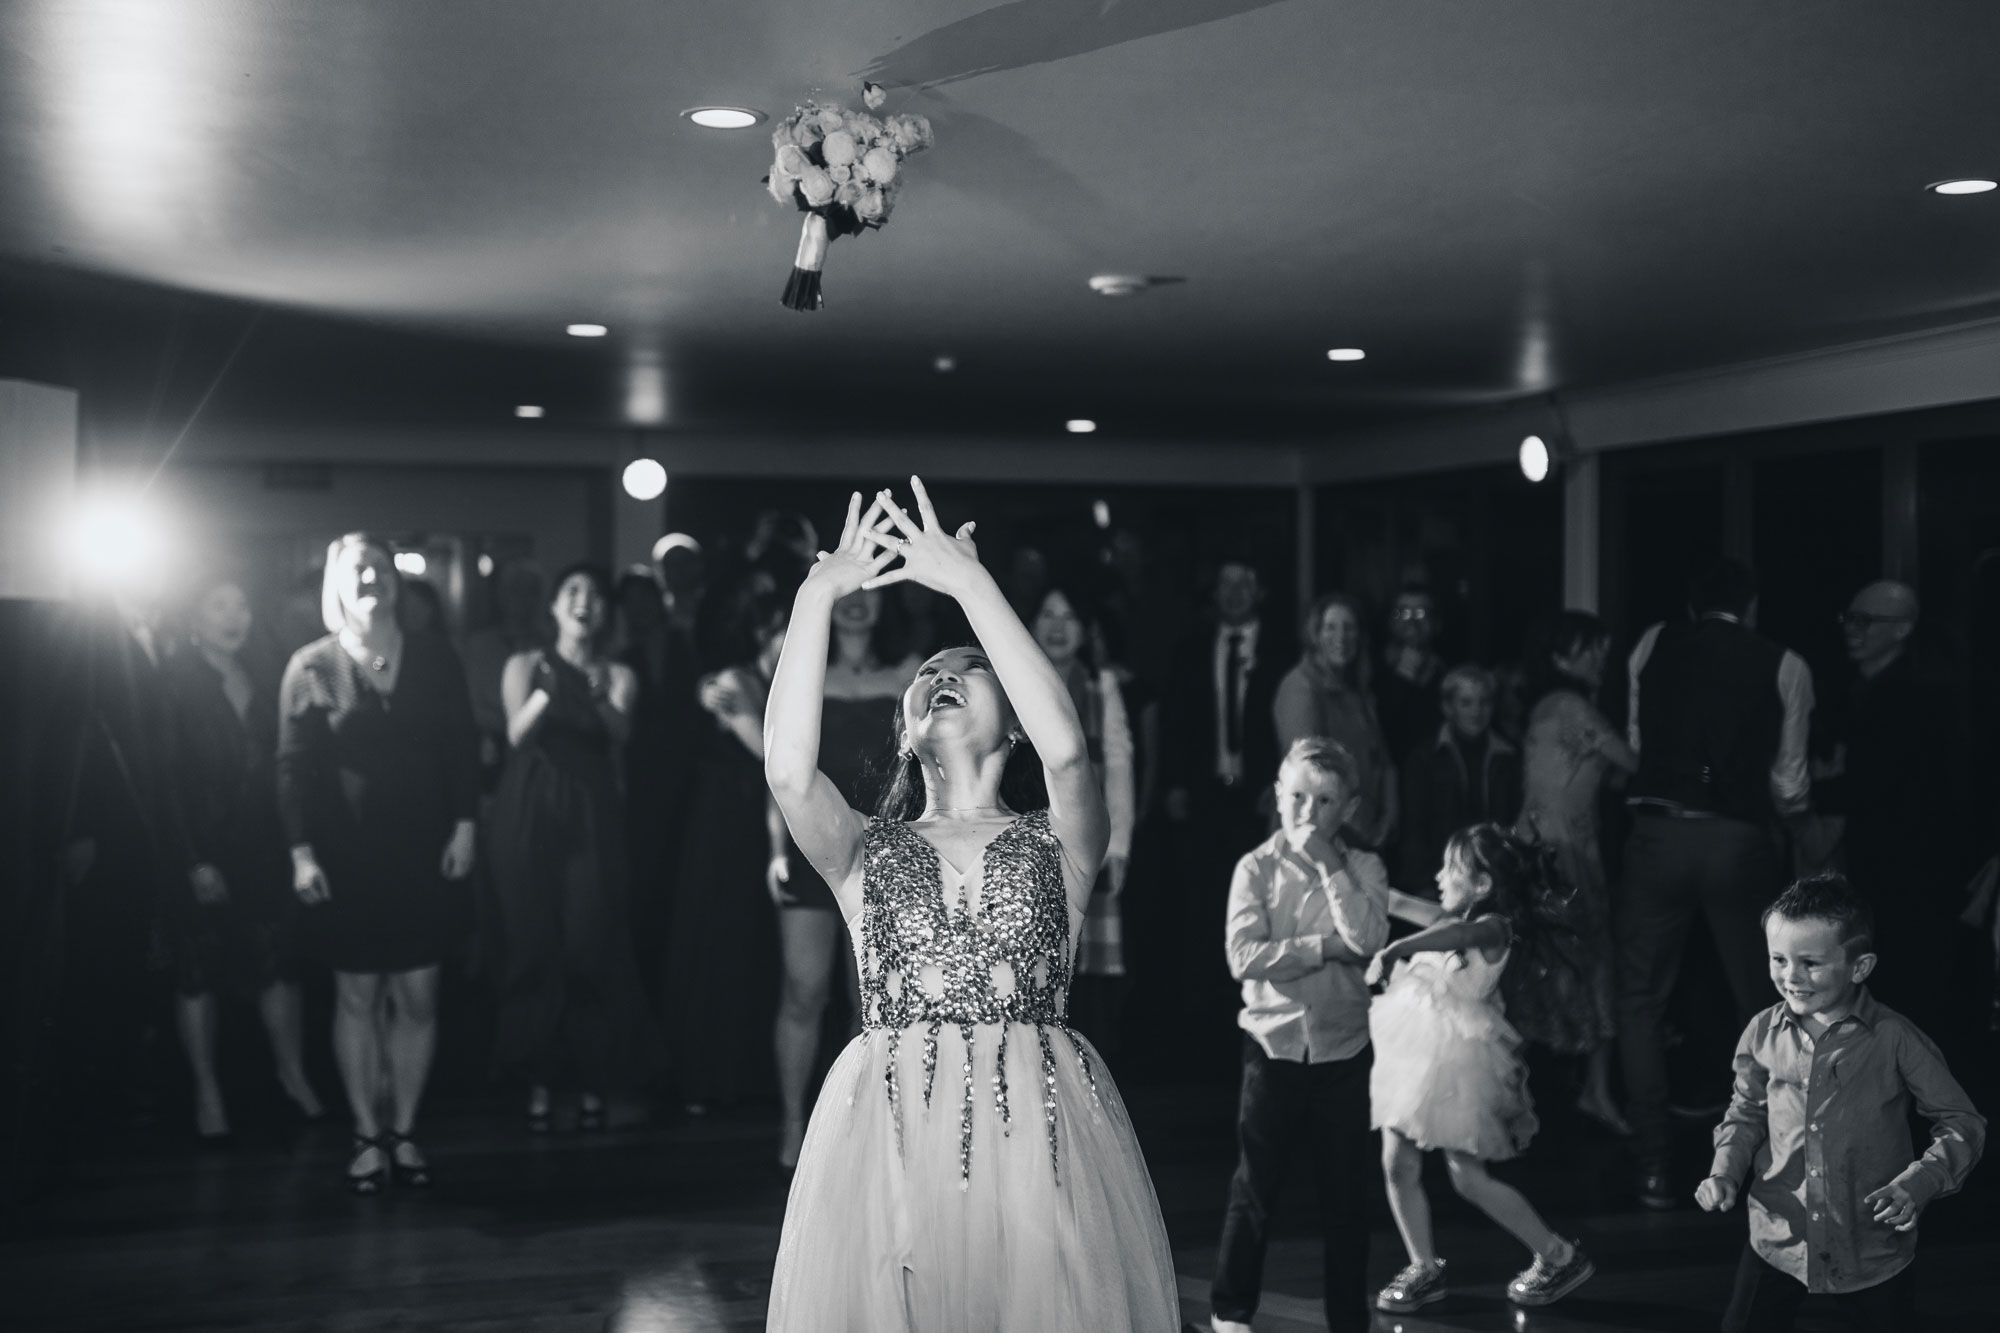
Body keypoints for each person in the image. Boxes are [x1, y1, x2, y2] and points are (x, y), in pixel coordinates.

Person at [763, 481, 1178, 1331]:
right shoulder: (862, 849)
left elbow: (1068, 751)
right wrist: (817, 594)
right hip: (891, 1127)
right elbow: (786, 773)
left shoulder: (1059, 839)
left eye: (965, 672)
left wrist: (971, 587)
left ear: (1013, 721)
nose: (940, 677)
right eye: (926, 675)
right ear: (905, 728)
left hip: (1037, 1126)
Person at [278, 534, 480, 1193]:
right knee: (358, 993)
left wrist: (466, 824)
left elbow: (460, 746)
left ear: (395, 582)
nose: (371, 576)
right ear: (337, 583)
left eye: (381, 567)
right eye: (357, 567)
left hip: (426, 849)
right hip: (347, 856)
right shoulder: (310, 664)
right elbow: (291, 770)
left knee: (419, 995)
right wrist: (301, 851)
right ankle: (367, 1132)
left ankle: (405, 1129)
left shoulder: (433, 657)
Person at [1697, 874, 1985, 1332]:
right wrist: (1724, 1169)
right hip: (1778, 1235)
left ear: (1859, 966)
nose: (1790, 976)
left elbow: (1960, 1121)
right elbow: (1746, 1110)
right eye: (1778, 959)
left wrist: (1922, 1181)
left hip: (1870, 1244)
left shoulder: (1895, 1038)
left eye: (1810, 962)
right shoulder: (1760, 1032)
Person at [1617, 557, 1815, 1209]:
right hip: (1736, 837)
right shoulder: (1784, 663)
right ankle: (1771, 1155)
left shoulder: (1652, 645)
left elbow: (1640, 737)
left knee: (1642, 998)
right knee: (1760, 1000)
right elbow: (1788, 781)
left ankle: (1650, 1163)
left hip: (1659, 831)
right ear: (1751, 605)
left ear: (1693, 606)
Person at [1366, 824, 1597, 1312]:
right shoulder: (1455, 918)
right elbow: (1407, 904)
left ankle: (1557, 1255)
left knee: (1467, 1178)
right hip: (1417, 1057)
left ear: (1483, 884)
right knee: (1397, 1163)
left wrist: (1396, 949)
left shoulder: (1494, 928)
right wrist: (1366, 888)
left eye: (1450, 870)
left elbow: (1457, 932)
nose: (1439, 876)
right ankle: (1423, 1265)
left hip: (1457, 1064)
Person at [1208, 739, 1389, 1333]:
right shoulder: (1255, 868)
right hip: (1273, 1047)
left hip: (1343, 1051)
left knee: (1346, 1197)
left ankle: (1348, 1320)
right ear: (1278, 797)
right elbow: (1243, 956)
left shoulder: (1363, 869)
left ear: (1349, 808)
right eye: (1298, 797)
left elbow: (1364, 940)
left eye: (1325, 800)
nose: (1308, 813)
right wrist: (1322, 949)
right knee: (1255, 1187)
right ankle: (1231, 1313)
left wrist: (1332, 870)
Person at [489, 563, 659, 1133]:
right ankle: (538, 1079)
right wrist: (547, 692)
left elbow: (620, 733)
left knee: (590, 940)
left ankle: (592, 1077)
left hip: (592, 809)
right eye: (572, 592)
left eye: (593, 595)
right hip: (530, 804)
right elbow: (516, 734)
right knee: (534, 941)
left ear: (604, 612)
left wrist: (594, 695)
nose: (584, 602)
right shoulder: (523, 664)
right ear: (556, 607)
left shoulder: (617, 673)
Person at [163, 572, 322, 1139]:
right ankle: (208, 1092)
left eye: (242, 606)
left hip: (264, 840)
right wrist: (191, 858)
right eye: (219, 605)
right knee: (198, 969)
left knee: (278, 960)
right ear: (194, 618)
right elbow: (167, 780)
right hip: (203, 844)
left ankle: (293, 1075)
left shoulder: (269, 672)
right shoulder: (173, 680)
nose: (236, 617)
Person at [765, 585, 918, 1167]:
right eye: (845, 592)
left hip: (882, 850)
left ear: (884, 605)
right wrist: (776, 847)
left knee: (873, 1002)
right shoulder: (806, 672)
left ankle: (866, 1134)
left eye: (868, 594)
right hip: (812, 845)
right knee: (803, 991)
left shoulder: (908, 672)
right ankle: (793, 1125)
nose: (856, 602)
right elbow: (780, 767)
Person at [1514, 612, 1638, 1131]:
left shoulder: (1551, 706)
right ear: (1562, 656)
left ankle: (1561, 1094)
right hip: (1559, 854)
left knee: (1549, 970)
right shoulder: (1570, 706)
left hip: (1550, 847)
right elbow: (1631, 763)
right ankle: (1590, 1091)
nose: (1600, 660)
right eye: (1590, 649)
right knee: (1582, 967)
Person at [664, 593, 786, 1114]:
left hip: (762, 822)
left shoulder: (782, 683)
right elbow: (768, 752)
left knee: (755, 946)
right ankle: (706, 1076)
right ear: (764, 635)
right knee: (718, 939)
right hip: (726, 824)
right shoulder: (735, 682)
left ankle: (747, 1076)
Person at [1162, 559, 1285, 1058]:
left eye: (1244, 582)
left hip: (1259, 797)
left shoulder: (1282, 652)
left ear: (1260, 590)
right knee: (1204, 905)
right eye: (1226, 582)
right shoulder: (1192, 649)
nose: (1234, 592)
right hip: (1206, 794)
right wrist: (1172, 783)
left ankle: (1256, 1017)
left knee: (1260, 906)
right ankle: (1204, 1030)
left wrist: (1278, 785)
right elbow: (1175, 721)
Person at [1814, 581, 1941, 1027]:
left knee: (1894, 976)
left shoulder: (1909, 695)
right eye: (1849, 618)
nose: (1853, 629)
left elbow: (1873, 783)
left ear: (1903, 629)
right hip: (1869, 854)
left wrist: (1800, 794)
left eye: (1866, 621)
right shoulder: (1857, 690)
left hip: (1903, 860)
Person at [1026, 582, 1136, 1063]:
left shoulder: (1100, 684)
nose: (1056, 625)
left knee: (1090, 974)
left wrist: (1119, 847)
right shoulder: (1012, 680)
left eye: (1068, 616)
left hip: (1088, 838)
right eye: (1048, 613)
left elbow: (1119, 761)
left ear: (1085, 630)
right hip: (1027, 839)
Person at [1272, 593, 1396, 850]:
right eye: (1330, 627)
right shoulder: (1300, 687)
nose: (1341, 637)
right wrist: (1355, 830)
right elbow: (1310, 772)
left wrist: (1388, 818)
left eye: (1349, 627)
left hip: (1361, 838)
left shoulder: (1357, 690)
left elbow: (1382, 761)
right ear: (1314, 635)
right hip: (1319, 840)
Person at [1399, 664, 1522, 894]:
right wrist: (1422, 881)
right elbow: (1414, 825)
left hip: (1492, 876)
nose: (1476, 711)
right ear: (1448, 707)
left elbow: (1512, 819)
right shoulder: (1426, 757)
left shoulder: (1507, 756)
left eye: (1484, 702)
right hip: (1441, 876)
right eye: (1466, 703)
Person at [1376, 586, 1447, 764]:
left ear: (1436, 623)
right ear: (1391, 622)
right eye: (1403, 613)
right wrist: (1403, 675)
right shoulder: (1370, 672)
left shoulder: (1446, 676)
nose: (1412, 622)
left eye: (1421, 613)